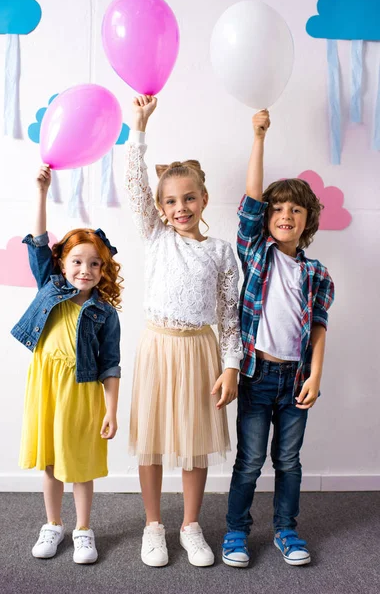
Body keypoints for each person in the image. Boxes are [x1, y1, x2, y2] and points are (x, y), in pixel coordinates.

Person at [124, 95, 243, 567]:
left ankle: (190, 525)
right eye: (170, 201)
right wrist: (139, 129)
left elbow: (231, 314)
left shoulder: (219, 251)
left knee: (195, 445)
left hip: (199, 351)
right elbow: (135, 186)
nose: (180, 207)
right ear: (159, 208)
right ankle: (154, 525)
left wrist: (230, 365)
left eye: (189, 198)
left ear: (204, 200)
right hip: (157, 346)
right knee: (151, 439)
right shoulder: (156, 237)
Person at [222, 110, 335, 568]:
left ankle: (287, 530)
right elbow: (251, 199)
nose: (285, 215)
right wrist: (258, 138)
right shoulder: (256, 252)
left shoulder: (316, 273)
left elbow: (320, 327)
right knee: (250, 461)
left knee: (288, 461)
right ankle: (236, 532)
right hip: (256, 375)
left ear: (307, 220)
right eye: (278, 208)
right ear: (267, 218)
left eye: (296, 209)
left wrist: (316, 376)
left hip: (295, 380)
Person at [11, 166, 122, 564]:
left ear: (103, 270)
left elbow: (111, 364)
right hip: (45, 386)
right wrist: (42, 192)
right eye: (76, 262)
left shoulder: (104, 313)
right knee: (51, 460)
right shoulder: (49, 287)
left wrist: (111, 409)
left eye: (94, 264)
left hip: (81, 390)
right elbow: (39, 243)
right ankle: (53, 524)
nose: (85, 271)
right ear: (62, 265)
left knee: (79, 463)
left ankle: (83, 530)